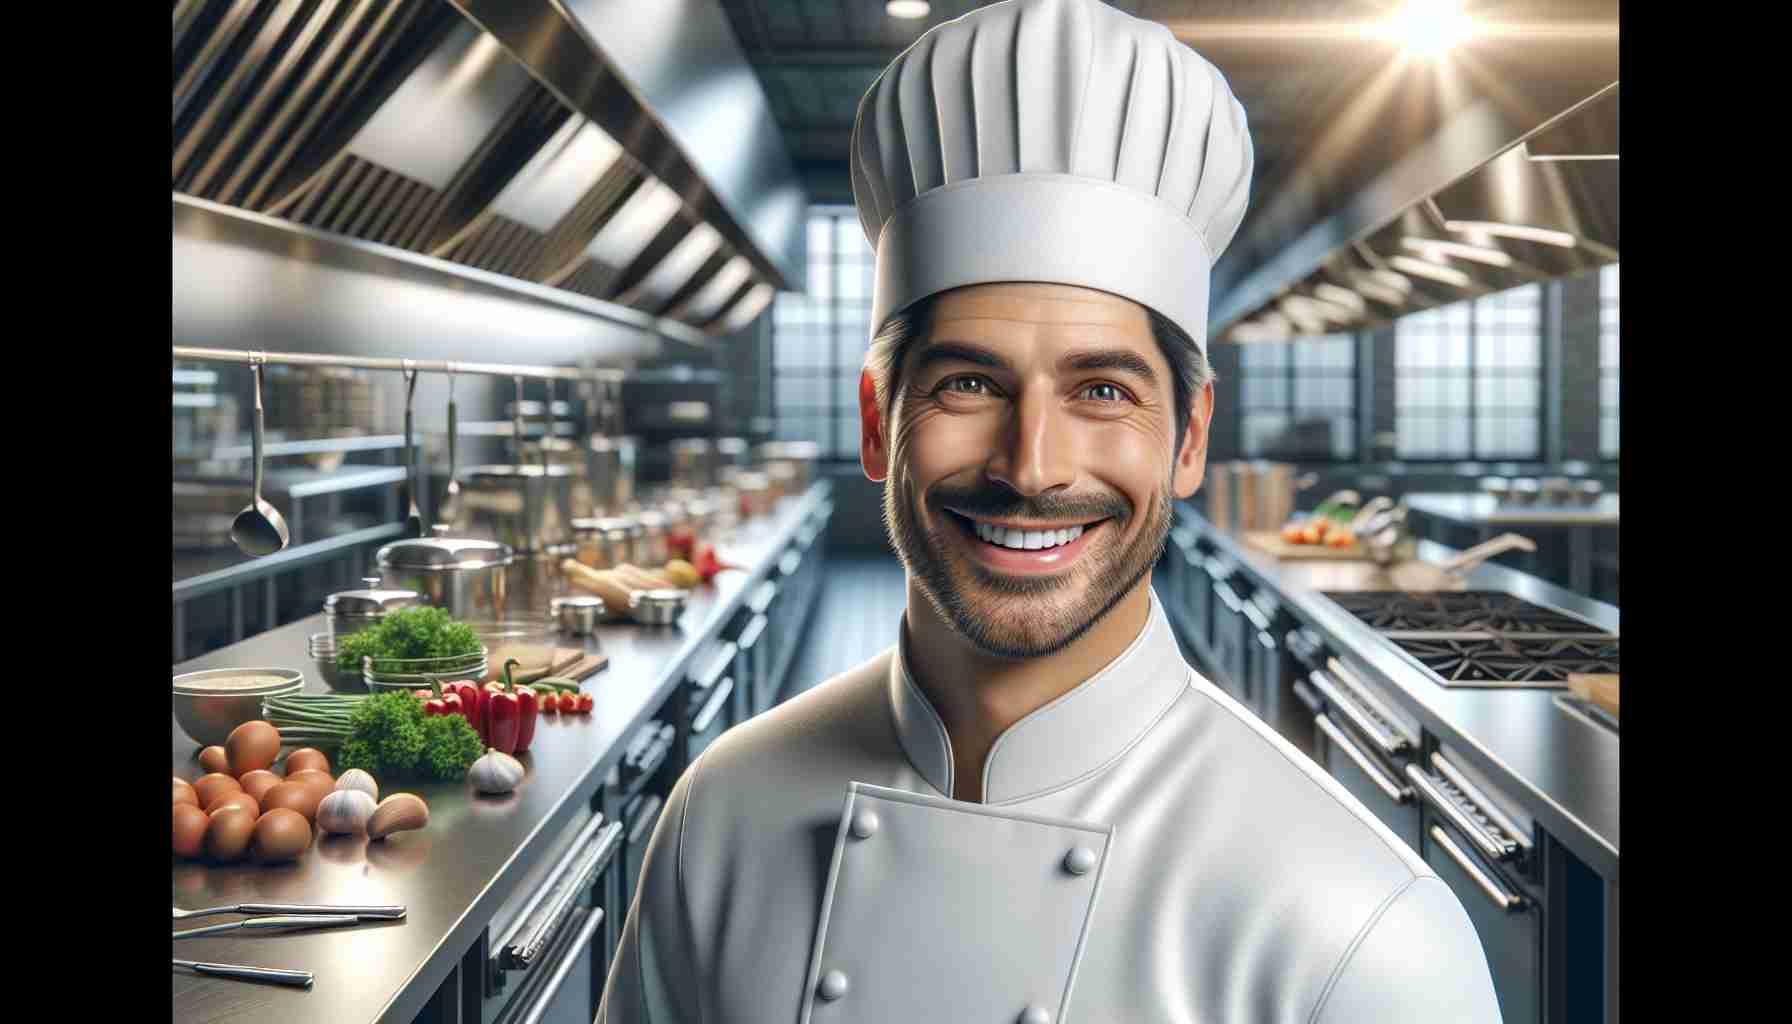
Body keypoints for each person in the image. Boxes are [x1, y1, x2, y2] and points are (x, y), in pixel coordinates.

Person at [598, 1, 1501, 1020]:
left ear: (1190, 436)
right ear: (873, 422)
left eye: (1102, 390)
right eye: (967, 385)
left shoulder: (1362, 932)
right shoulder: (723, 811)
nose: (1031, 467)